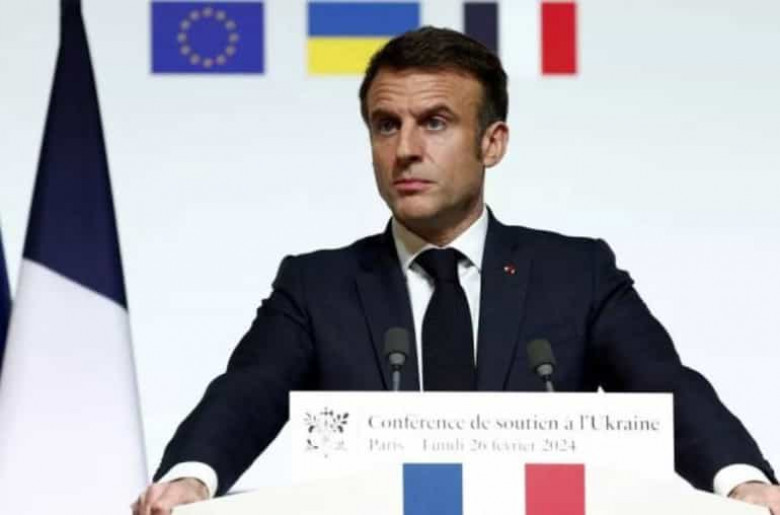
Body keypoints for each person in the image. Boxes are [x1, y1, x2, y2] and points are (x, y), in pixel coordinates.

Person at [132, 27, 780, 515]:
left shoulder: (576, 274)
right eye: (386, 125)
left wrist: (743, 483)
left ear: (492, 143)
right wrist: (191, 476)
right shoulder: (316, 285)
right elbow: (248, 390)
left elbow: (665, 387)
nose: (406, 149)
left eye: (435, 123)